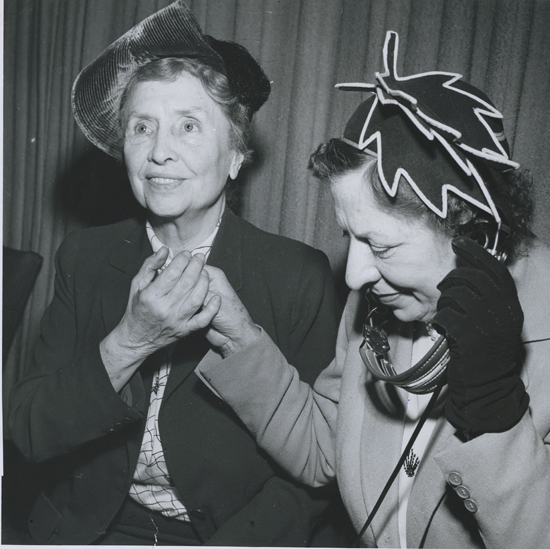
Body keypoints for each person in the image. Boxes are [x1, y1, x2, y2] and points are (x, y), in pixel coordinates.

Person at [193, 31, 550, 548]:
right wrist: (241, 337)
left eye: (380, 246)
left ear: (471, 229)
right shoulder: (382, 296)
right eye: (348, 237)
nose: (354, 276)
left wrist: (496, 410)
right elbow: (322, 450)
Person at [8, 1, 342, 545]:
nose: (159, 151)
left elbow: (315, 478)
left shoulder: (296, 276)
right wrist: (128, 342)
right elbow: (24, 432)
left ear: (235, 155)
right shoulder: (85, 257)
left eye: (188, 125)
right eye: (142, 127)